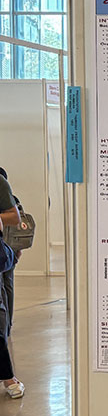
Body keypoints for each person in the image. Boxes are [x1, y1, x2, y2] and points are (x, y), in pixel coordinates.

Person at [0, 167, 23, 399]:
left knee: (4, 300)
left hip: (4, 253)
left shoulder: (1, 185)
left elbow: (16, 218)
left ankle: (9, 378)